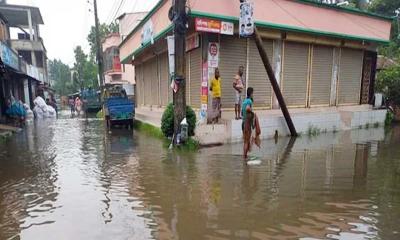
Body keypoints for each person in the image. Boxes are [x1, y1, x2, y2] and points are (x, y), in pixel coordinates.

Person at [242, 87, 254, 159]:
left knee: (246, 141)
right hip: (247, 124)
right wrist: (252, 113)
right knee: (246, 141)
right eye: (253, 93)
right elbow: (247, 108)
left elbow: (242, 113)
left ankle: (245, 157)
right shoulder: (249, 101)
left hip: (243, 123)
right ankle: (244, 158)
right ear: (251, 93)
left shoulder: (244, 101)